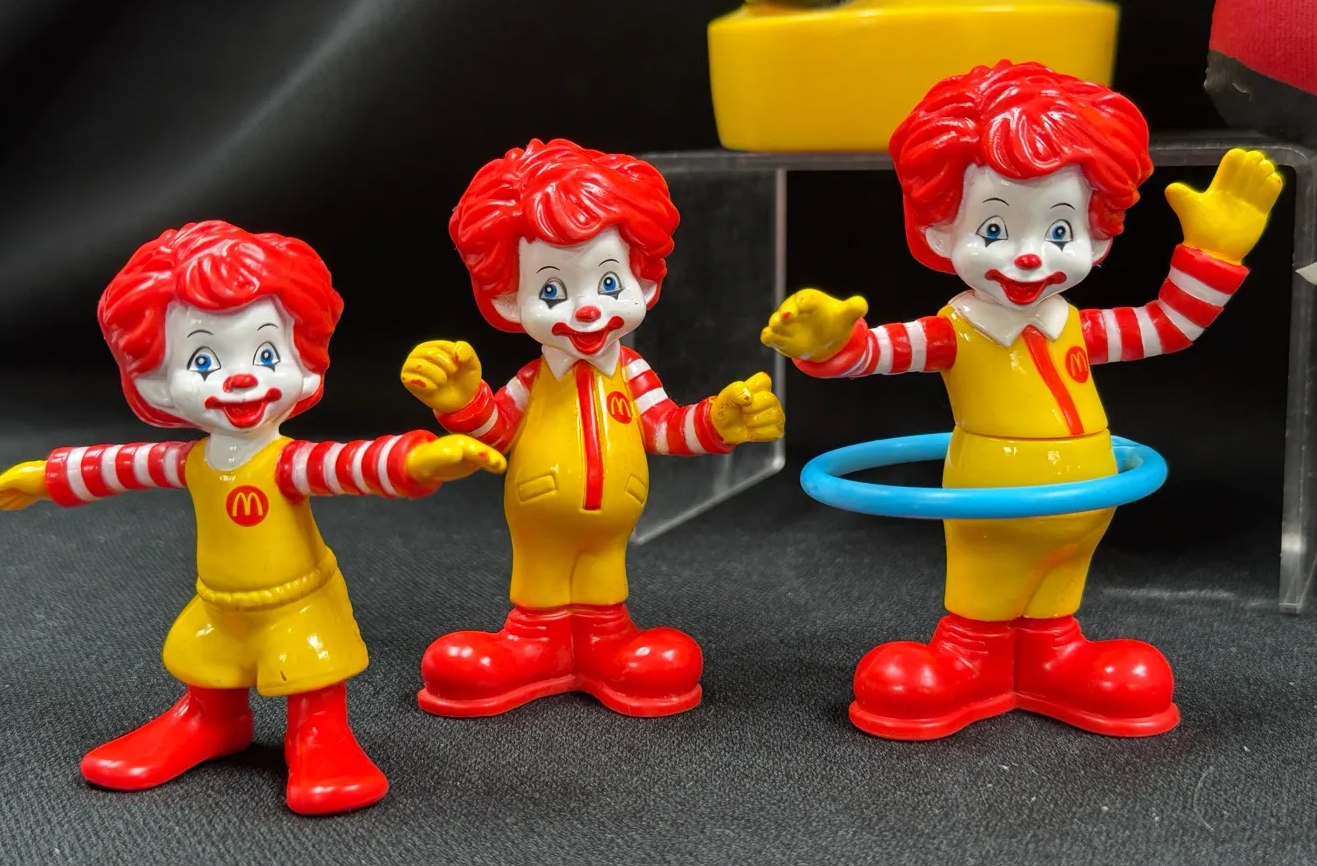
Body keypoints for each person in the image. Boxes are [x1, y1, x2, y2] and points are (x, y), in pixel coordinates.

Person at [761, 61, 1283, 739]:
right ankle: (968, 655)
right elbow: (876, 352)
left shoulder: (1076, 326)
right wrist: (830, 343)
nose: (1030, 257)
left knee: (1057, 588)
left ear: (1098, 234)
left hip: (1084, 502)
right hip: (994, 497)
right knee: (988, 581)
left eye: (1059, 232)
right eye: (994, 231)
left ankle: (1053, 653)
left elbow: (1170, 325)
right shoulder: (956, 331)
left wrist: (1212, 252)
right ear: (941, 232)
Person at [0, 219, 506, 814]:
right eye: (203, 361)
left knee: (310, 669)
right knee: (207, 661)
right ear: (155, 383)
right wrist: (46, 477)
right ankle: (208, 719)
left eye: (266, 353)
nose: (240, 379)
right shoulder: (193, 461)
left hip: (297, 602)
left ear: (305, 360)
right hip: (220, 604)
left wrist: (420, 460)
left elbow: (350, 463)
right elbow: (121, 465)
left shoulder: (286, 462)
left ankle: (320, 735)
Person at [400, 139, 784, 717]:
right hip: (538, 520)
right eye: (552, 291)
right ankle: (533, 641)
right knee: (537, 585)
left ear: (645, 282)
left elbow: (663, 426)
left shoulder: (632, 373)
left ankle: (606, 641)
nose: (585, 310)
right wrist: (461, 401)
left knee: (613, 593)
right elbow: (499, 431)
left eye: (608, 284)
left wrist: (720, 420)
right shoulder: (533, 380)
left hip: (612, 527)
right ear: (509, 301)